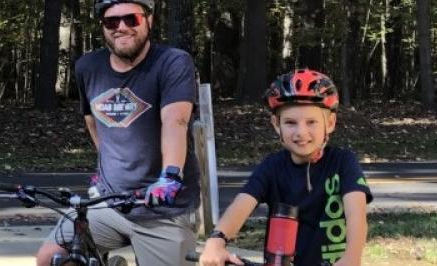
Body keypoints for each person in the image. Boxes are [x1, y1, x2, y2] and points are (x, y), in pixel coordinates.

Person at [36, 1, 202, 265]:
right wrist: (105, 165)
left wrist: (170, 176)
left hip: (164, 211)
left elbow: (176, 121)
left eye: (131, 19)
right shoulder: (88, 66)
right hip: (110, 204)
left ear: (149, 20)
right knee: (50, 258)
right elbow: (92, 120)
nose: (121, 27)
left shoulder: (172, 62)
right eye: (112, 21)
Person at [198, 69, 370, 266]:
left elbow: (356, 214)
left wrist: (351, 257)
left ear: (330, 123)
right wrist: (216, 241)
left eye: (311, 122)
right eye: (290, 123)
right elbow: (242, 204)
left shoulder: (343, 162)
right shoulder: (272, 167)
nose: (301, 132)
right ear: (276, 124)